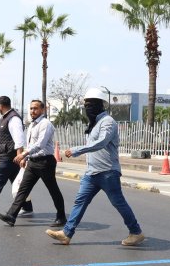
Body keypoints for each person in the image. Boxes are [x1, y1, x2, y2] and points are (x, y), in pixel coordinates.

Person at [47, 87, 144, 247]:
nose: (87, 108)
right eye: (86, 104)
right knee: (80, 201)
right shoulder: (95, 123)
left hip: (107, 172)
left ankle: (136, 232)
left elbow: (101, 143)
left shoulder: (108, 122)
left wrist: (77, 150)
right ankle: (66, 233)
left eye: (91, 104)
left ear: (101, 105)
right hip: (91, 173)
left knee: (118, 203)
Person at [0, 99, 65, 227]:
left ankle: (61, 217)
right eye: (31, 108)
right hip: (33, 162)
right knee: (23, 189)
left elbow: (40, 144)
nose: (32, 111)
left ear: (43, 110)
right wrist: (25, 158)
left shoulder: (45, 124)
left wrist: (24, 154)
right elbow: (30, 144)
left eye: (36, 108)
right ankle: (11, 216)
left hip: (45, 162)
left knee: (53, 190)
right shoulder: (32, 125)